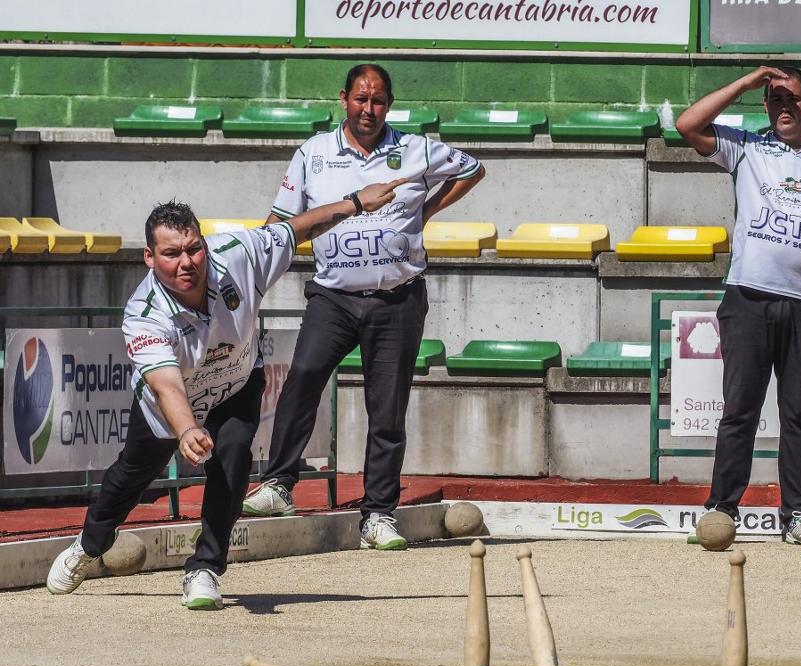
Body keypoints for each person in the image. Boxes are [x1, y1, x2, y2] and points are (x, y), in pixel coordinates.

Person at [46, 180, 412, 609]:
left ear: (204, 243)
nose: (187, 262)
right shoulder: (144, 313)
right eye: (171, 254)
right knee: (130, 475)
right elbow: (165, 382)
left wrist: (354, 203)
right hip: (169, 407)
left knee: (234, 460)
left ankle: (204, 568)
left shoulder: (237, 253)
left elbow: (300, 228)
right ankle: (89, 546)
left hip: (236, 384)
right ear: (149, 258)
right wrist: (185, 430)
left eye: (193, 248)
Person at [242, 63, 485, 551]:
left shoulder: (414, 149)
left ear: (389, 104)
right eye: (359, 99)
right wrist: (254, 262)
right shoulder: (313, 154)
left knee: (387, 408)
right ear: (343, 99)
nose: (368, 109)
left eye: (377, 101)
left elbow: (473, 167)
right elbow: (282, 219)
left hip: (398, 298)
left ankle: (378, 514)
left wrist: (429, 208)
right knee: (303, 377)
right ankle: (279, 485)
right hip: (333, 296)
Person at [676, 65, 801, 547]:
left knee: (799, 414)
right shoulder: (745, 147)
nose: (783, 105)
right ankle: (721, 509)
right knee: (739, 410)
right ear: (765, 106)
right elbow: (687, 126)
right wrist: (746, 83)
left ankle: (800, 515)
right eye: (774, 99)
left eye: (793, 98)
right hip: (747, 297)